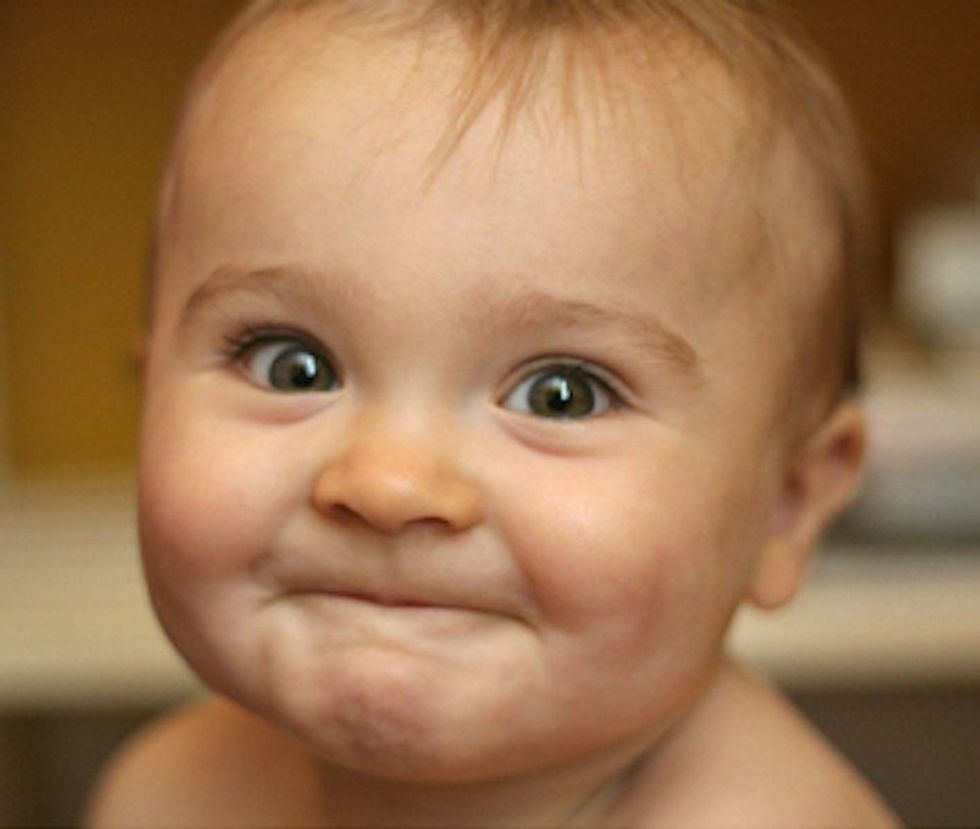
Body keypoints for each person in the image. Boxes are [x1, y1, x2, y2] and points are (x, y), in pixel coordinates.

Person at [87, 1, 900, 825]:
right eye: (293, 366)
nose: (388, 484)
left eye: (562, 394)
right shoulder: (166, 793)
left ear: (786, 501)